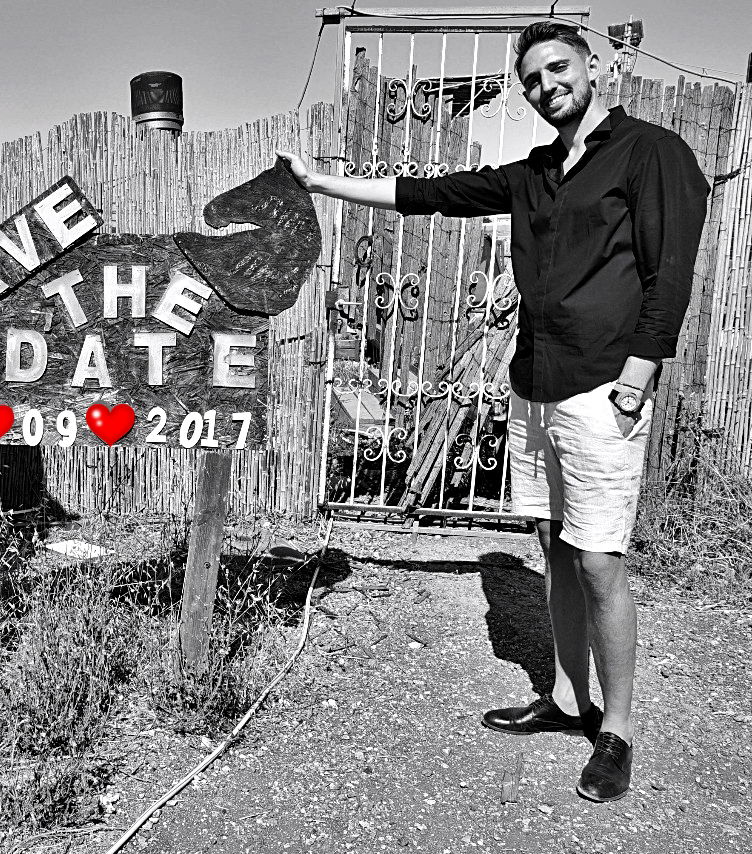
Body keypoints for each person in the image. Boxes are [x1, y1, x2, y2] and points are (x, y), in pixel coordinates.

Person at [278, 21, 708, 802]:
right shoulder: (535, 171)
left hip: (604, 386)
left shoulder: (651, 152)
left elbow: (669, 270)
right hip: (534, 383)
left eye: (559, 68)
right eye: (533, 79)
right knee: (553, 545)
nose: (547, 86)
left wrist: (639, 373)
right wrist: (323, 184)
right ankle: (568, 700)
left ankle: (618, 730)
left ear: (593, 66)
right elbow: (431, 194)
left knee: (600, 559)